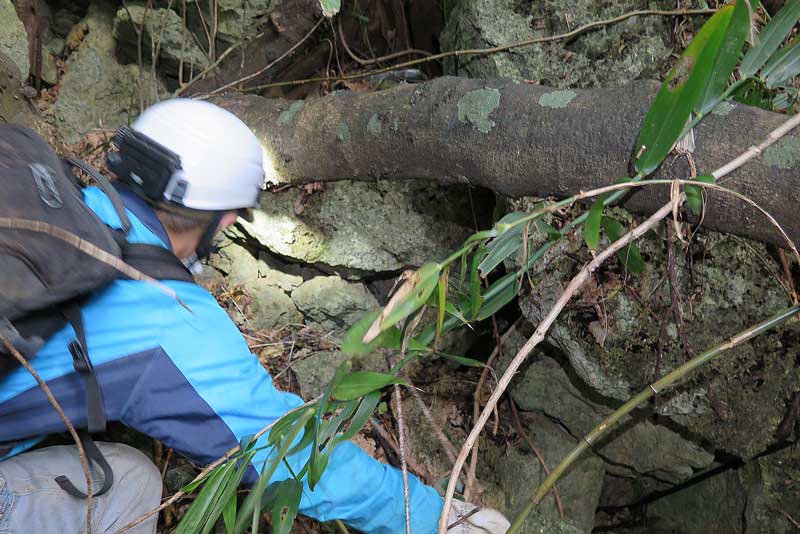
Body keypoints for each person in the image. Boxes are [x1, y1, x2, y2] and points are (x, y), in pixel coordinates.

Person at [0, 99, 510, 533]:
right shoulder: (170, 318)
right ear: (222, 217)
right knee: (132, 487)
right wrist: (441, 519)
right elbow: (288, 453)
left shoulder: (55, 197)